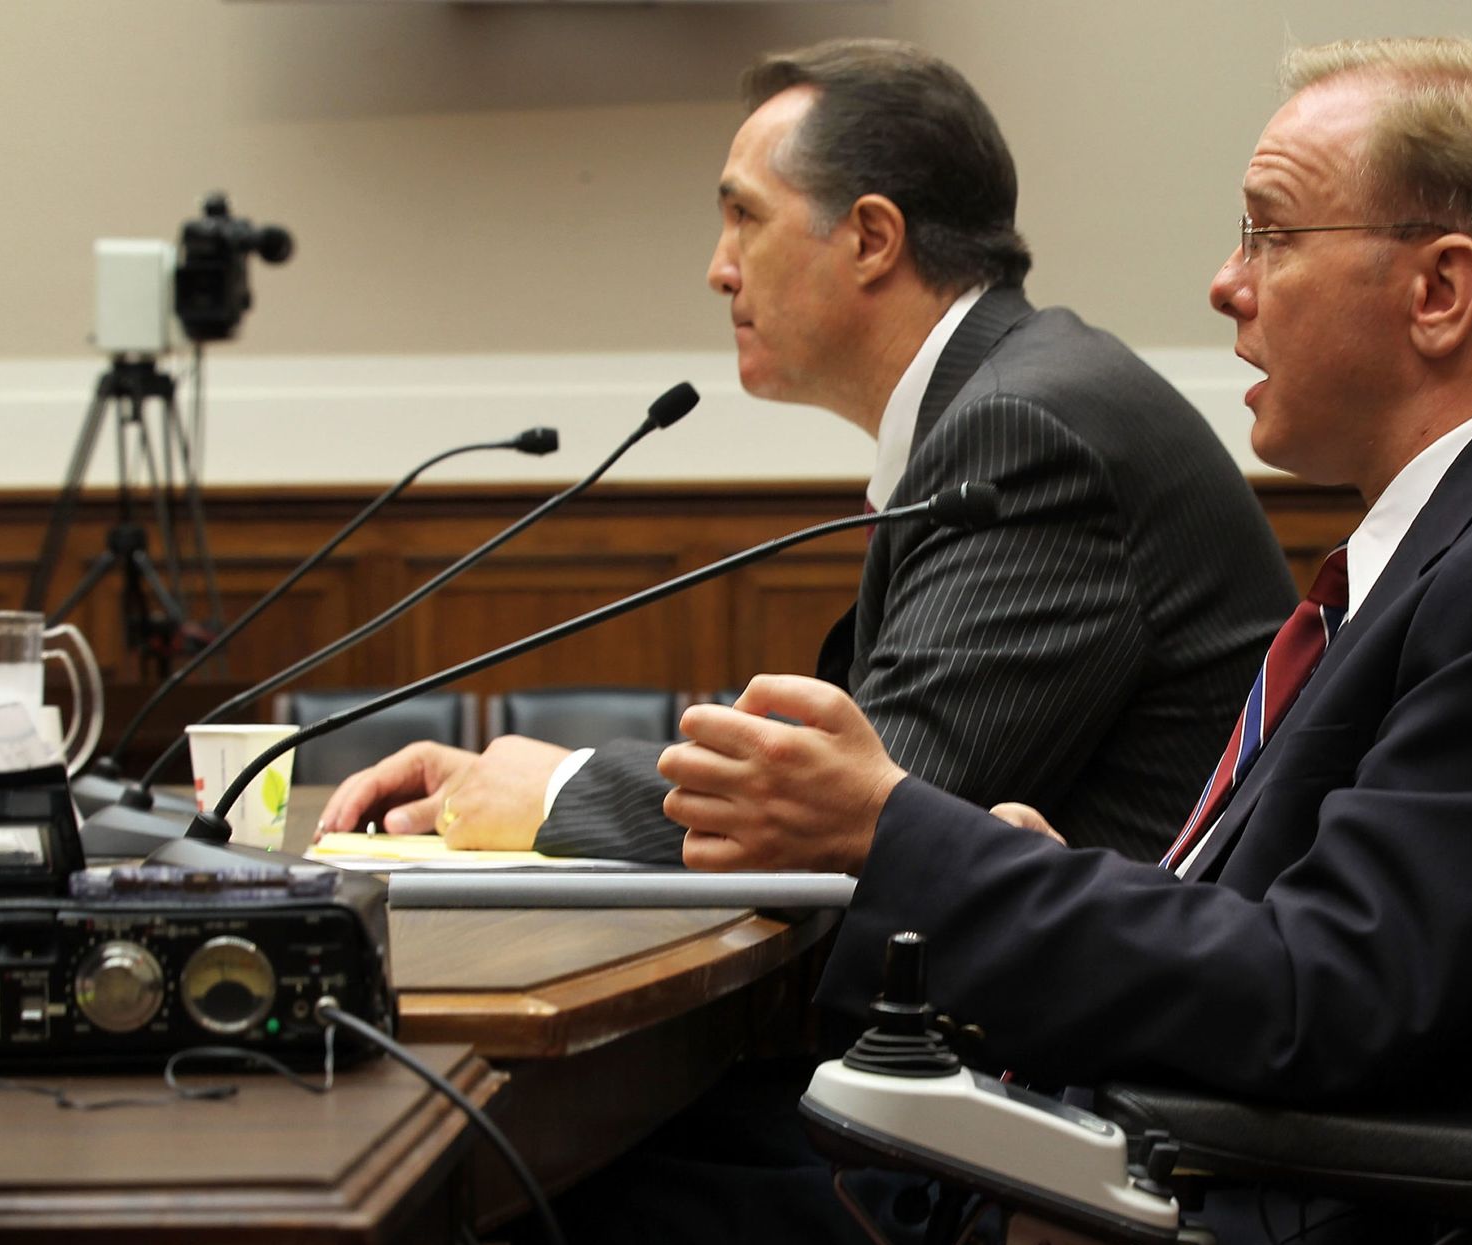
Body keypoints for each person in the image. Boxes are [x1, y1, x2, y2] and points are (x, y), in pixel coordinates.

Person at [658, 35, 1472, 1245]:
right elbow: (1288, 929)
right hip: (1190, 1157)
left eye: (1270, 235)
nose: (1224, 283)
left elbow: (1323, 998)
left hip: (1269, 1215)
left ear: (1441, 292)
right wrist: (998, 857)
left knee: (615, 1199)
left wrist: (895, 833)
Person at [316, 38, 1292, 865]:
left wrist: (558, 790)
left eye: (745, 215)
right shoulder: (1010, 399)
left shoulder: (1031, 430)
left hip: (1096, 1068)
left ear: (871, 238)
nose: (718, 267)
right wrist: (503, 780)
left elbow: (864, 800)